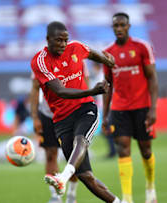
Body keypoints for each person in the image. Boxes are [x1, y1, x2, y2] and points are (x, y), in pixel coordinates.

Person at [31, 21, 122, 203]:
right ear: (48, 39)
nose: (63, 45)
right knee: (86, 177)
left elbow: (92, 53)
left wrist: (107, 60)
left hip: (84, 109)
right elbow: (60, 91)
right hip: (61, 119)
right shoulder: (40, 62)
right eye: (59, 41)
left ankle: (63, 179)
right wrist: (92, 91)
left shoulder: (76, 48)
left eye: (66, 40)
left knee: (80, 140)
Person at [102, 13, 159, 203]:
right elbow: (107, 85)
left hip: (142, 107)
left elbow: (152, 78)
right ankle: (127, 198)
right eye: (115, 25)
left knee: (145, 150)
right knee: (123, 150)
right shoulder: (108, 53)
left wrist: (153, 109)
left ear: (129, 26)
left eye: (122, 25)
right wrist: (105, 115)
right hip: (119, 109)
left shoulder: (142, 47)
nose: (119, 28)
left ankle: (150, 185)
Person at [30, 63, 90, 203]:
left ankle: (71, 193)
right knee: (50, 154)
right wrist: (34, 117)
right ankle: (55, 196)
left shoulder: (77, 59)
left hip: (72, 114)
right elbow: (34, 89)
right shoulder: (40, 63)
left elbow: (86, 84)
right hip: (48, 114)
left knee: (72, 156)